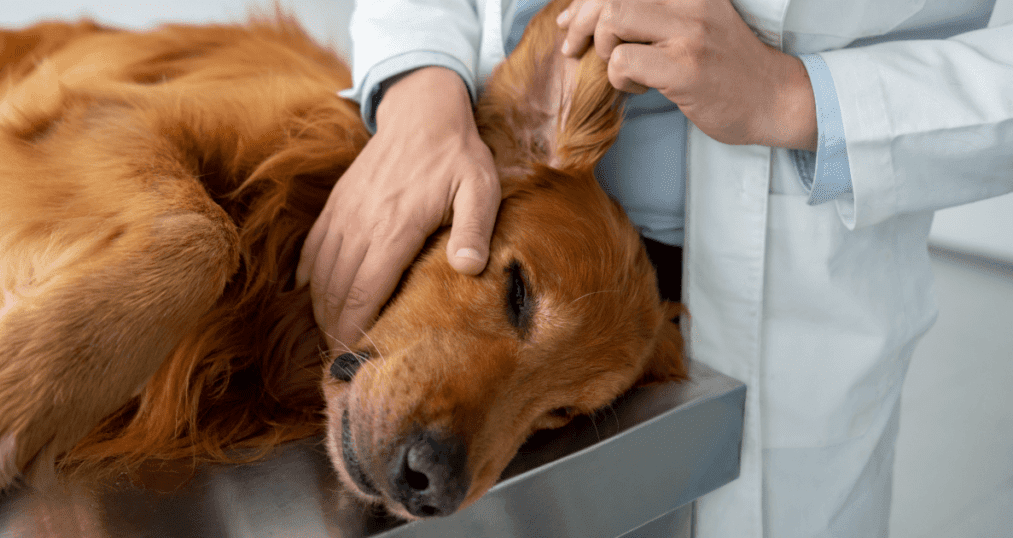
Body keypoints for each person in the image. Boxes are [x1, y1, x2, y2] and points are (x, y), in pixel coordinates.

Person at [296, 0, 1013, 535]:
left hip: (792, 296)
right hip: (483, 153)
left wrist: (799, 99)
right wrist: (421, 81)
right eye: (517, 301)